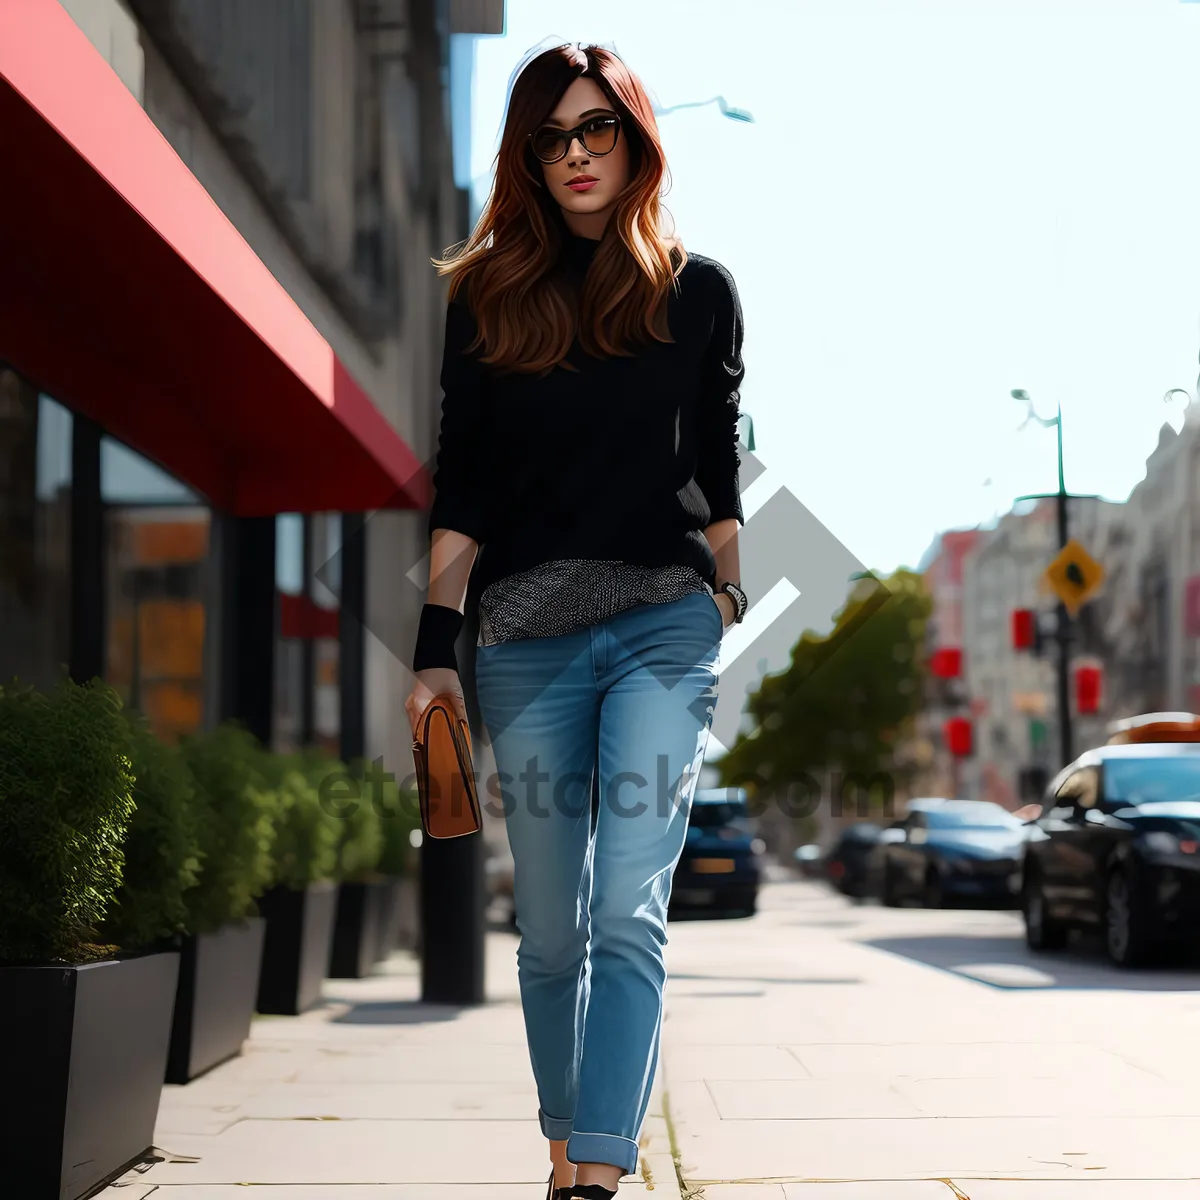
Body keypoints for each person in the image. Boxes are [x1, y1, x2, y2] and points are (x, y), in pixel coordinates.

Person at [406, 41, 748, 1200]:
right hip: (525, 641)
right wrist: (431, 650)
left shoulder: (698, 292)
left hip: (662, 626)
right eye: (551, 138)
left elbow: (718, 468)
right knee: (550, 927)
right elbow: (464, 484)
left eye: (596, 128)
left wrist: (727, 593)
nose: (576, 155)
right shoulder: (488, 296)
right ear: (528, 158)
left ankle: (595, 1175)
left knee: (626, 908)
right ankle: (568, 1146)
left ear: (635, 137)